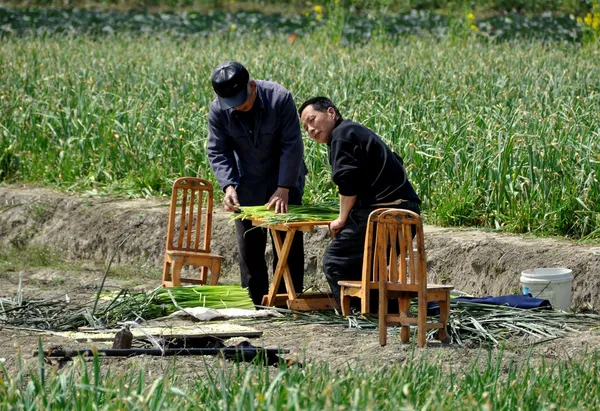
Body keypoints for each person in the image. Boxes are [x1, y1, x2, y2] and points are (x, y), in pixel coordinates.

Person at [298, 96, 421, 310]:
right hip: (407, 211)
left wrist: (342, 219)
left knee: (336, 261)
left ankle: (356, 314)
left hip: (384, 214)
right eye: (306, 127)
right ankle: (379, 311)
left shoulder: (341, 136)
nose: (310, 129)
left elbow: (348, 183)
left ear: (331, 112)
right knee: (367, 266)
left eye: (312, 120)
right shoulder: (351, 131)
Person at [207, 61, 307, 305]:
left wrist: (283, 188)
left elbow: (291, 146)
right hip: (246, 184)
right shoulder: (218, 110)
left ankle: (286, 300)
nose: (239, 108)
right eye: (233, 106)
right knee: (249, 247)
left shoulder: (279, 98)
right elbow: (218, 151)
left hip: (284, 179)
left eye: (242, 103)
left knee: (287, 243)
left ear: (252, 86)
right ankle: (254, 301)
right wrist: (228, 186)